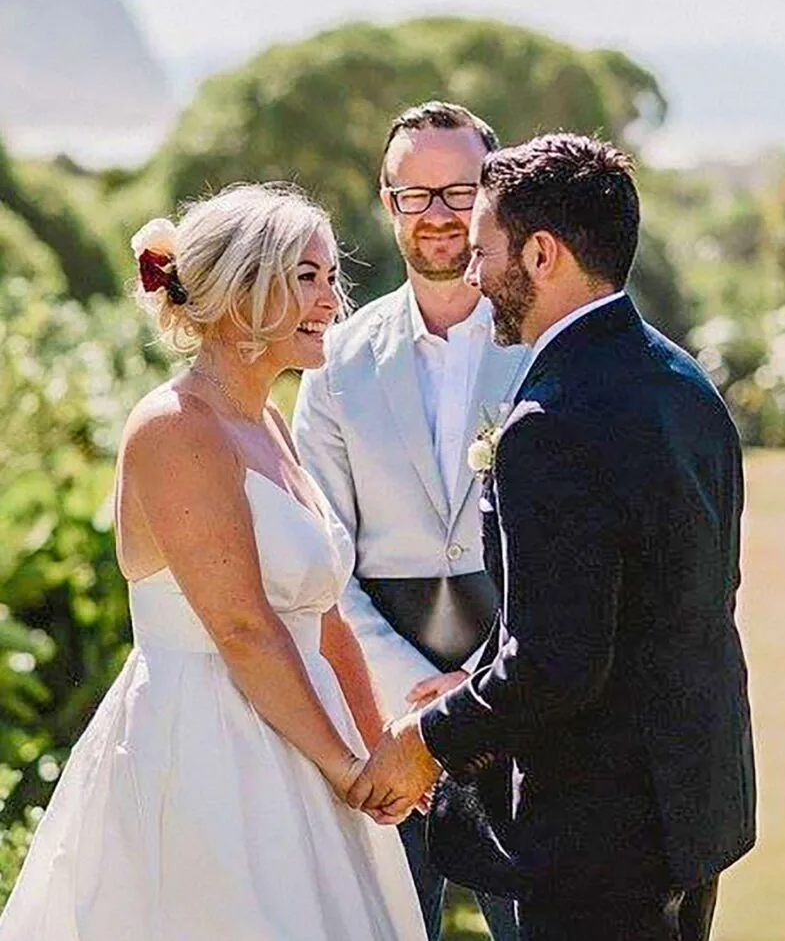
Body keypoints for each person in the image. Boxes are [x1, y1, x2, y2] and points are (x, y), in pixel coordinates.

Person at [348, 134, 757, 941]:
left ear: (540, 254)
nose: (471, 274)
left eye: (482, 251)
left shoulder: (551, 421)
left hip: (599, 833)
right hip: (692, 802)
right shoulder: (680, 380)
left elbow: (556, 663)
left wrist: (424, 738)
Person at [0, 183, 427, 941]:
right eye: (308, 277)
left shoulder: (268, 420)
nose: (334, 299)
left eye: (331, 277)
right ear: (240, 289)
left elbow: (322, 613)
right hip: (208, 752)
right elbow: (240, 626)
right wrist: (343, 767)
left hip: (304, 733)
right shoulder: (175, 428)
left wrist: (371, 746)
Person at [293, 101, 526, 940]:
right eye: (412, 194)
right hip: (383, 716)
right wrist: (417, 705)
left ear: (493, 194)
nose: (435, 216)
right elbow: (324, 559)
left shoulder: (546, 340)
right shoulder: (333, 366)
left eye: (458, 192)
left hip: (528, 709)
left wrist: (488, 688)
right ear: (386, 202)